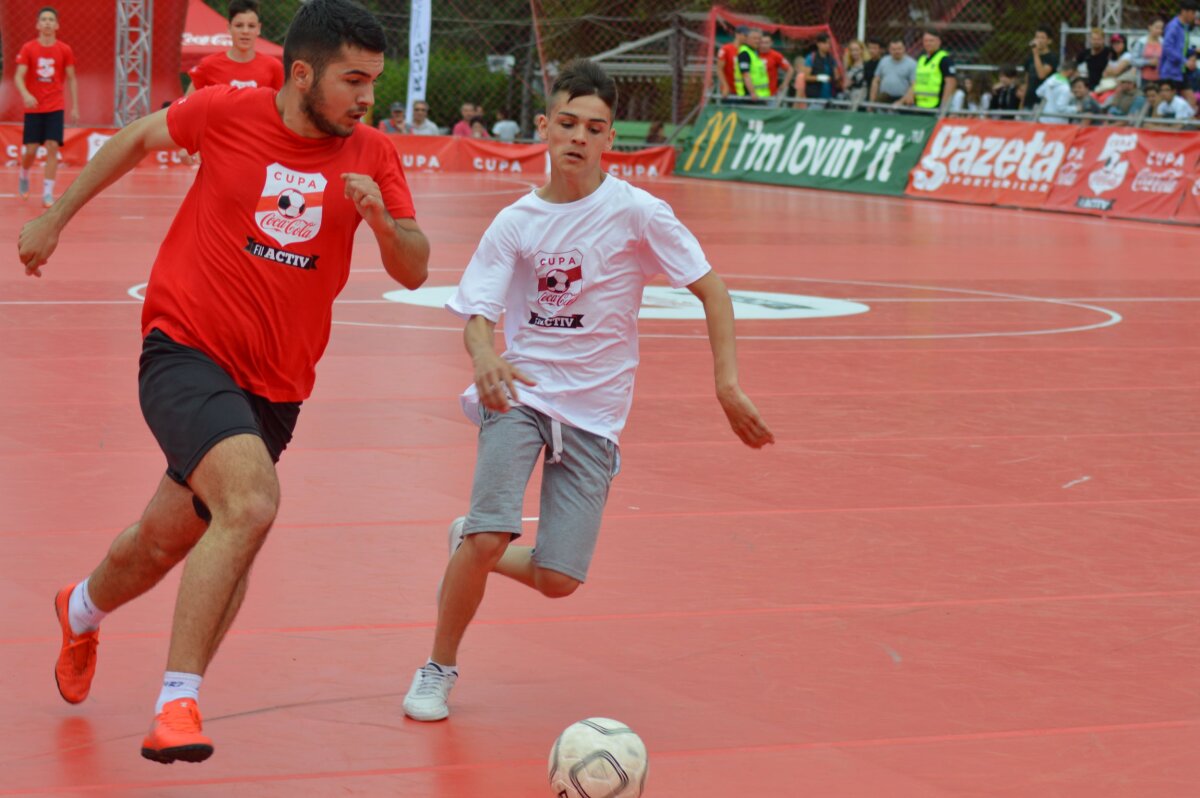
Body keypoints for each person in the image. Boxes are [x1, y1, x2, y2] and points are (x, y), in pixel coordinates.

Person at [18, 0, 429, 765]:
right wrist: (56, 219)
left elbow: (416, 266)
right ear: (302, 73)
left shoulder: (372, 154)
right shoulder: (226, 112)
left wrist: (383, 224)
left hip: (275, 390)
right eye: (353, 80)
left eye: (375, 80)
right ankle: (178, 703)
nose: (368, 97)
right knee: (251, 503)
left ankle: (79, 610)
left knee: (163, 542)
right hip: (184, 350)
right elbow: (137, 138)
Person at [400, 59, 773, 723]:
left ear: (609, 140)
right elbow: (478, 316)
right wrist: (486, 356)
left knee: (559, 580)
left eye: (594, 128)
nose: (578, 136)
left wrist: (727, 384)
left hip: (596, 412)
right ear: (544, 126)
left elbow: (712, 289)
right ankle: (438, 667)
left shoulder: (637, 214)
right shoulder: (515, 222)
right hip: (522, 394)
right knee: (490, 538)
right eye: (567, 122)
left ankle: (471, 538)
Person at [14, 6, 79, 208]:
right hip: (34, 107)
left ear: (57, 25)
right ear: (38, 24)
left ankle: (47, 193)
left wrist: (75, 106)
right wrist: (26, 94)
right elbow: (18, 76)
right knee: (31, 149)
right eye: (44, 19)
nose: (48, 22)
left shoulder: (64, 49)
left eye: (51, 19)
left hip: (55, 105)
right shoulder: (28, 48)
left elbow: (71, 79)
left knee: (52, 146)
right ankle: (24, 173)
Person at [186, 0, 284, 94]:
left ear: (258, 29)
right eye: (239, 25)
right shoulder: (208, 66)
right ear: (229, 28)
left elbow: (285, 107)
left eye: (251, 26)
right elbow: (185, 106)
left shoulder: (273, 67)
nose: (245, 31)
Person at [906, 30, 957, 112]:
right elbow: (916, 80)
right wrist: (910, 94)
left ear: (938, 42)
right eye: (925, 41)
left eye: (931, 41)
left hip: (935, 105)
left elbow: (951, 83)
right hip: (919, 104)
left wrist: (943, 106)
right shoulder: (922, 59)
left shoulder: (944, 59)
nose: (928, 43)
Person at [1159, 3, 1198, 91]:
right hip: (1171, 72)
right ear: (1184, 12)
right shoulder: (1174, 26)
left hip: (1181, 71)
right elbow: (1167, 48)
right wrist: (1185, 61)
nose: (1194, 16)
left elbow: (1181, 49)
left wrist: (1193, 52)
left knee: (1190, 101)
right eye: (1193, 13)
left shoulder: (1185, 27)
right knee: (1167, 100)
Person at [870, 38, 916, 107]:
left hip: (902, 101)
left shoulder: (912, 63)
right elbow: (875, 81)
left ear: (904, 48)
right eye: (894, 49)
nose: (897, 51)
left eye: (899, 49)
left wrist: (901, 102)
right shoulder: (883, 61)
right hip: (883, 99)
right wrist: (872, 102)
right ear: (889, 50)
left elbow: (914, 85)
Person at [1024, 25, 1059, 110]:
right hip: (1029, 101)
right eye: (1037, 37)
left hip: (1044, 102)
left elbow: (1041, 75)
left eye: (1042, 37)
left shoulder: (1052, 57)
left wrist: (1036, 54)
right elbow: (1026, 80)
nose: (1038, 40)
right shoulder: (1029, 57)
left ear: (1049, 41)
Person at [798, 33, 840, 103]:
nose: (828, 45)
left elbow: (836, 76)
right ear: (818, 44)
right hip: (815, 98)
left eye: (829, 43)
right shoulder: (811, 58)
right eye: (825, 43)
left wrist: (838, 78)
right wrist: (820, 78)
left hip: (830, 97)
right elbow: (806, 77)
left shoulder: (831, 59)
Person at [734, 28, 771, 101]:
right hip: (750, 97)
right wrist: (752, 93)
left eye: (759, 38)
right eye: (754, 38)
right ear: (747, 39)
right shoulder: (745, 53)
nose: (757, 41)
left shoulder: (754, 53)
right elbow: (745, 74)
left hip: (761, 96)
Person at [1036, 58, 1077, 123]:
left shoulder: (1051, 79)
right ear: (1071, 71)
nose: (1076, 75)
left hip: (1044, 119)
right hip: (1058, 123)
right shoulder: (1065, 88)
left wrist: (1050, 96)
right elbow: (1061, 109)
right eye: (1076, 72)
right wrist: (1077, 108)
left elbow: (1038, 92)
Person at [758, 33, 794, 101]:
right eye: (761, 42)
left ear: (771, 43)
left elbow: (790, 69)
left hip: (771, 94)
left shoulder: (776, 55)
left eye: (766, 43)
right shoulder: (753, 54)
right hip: (754, 93)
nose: (763, 45)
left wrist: (784, 84)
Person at [1077, 27, 1112, 92]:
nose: (1096, 42)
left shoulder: (1109, 53)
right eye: (1094, 39)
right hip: (1087, 88)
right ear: (1090, 40)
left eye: (1099, 39)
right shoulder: (1084, 54)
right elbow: (1074, 64)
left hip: (1104, 87)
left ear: (1103, 40)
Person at [716, 25, 747, 97]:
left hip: (744, 90)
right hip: (730, 90)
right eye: (745, 35)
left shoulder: (747, 50)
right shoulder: (726, 49)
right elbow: (719, 69)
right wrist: (725, 86)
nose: (746, 37)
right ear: (737, 34)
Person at [1132, 18, 1165, 86]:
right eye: (1157, 28)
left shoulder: (1163, 43)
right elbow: (1133, 60)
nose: (1159, 30)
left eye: (1161, 28)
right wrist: (1148, 62)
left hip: (1160, 78)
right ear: (1150, 27)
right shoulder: (1141, 42)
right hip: (1144, 78)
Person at [843, 39, 870, 104]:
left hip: (860, 97)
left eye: (856, 50)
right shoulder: (849, 66)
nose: (854, 53)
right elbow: (845, 83)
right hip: (848, 96)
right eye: (852, 50)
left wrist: (853, 82)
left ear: (862, 50)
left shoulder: (866, 65)